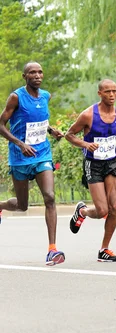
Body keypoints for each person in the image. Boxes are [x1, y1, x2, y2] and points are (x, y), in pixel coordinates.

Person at [0, 62, 65, 266]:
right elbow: (1, 124)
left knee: (50, 197)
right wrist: (20, 144)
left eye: (40, 72)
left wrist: (51, 130)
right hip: (20, 157)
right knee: (21, 205)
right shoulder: (16, 97)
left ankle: (52, 250)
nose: (37, 75)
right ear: (24, 76)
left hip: (42, 154)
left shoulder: (45, 96)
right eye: (32, 72)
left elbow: (39, 122)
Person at [65, 79, 116, 262]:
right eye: (107, 91)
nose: (111, 95)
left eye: (114, 91)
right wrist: (86, 143)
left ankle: (104, 249)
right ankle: (83, 211)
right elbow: (69, 135)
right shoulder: (88, 115)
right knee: (102, 210)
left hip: (112, 162)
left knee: (115, 206)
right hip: (93, 164)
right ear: (100, 93)